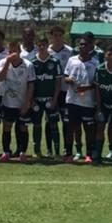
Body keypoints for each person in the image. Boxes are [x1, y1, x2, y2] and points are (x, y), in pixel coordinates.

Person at [63, 35, 99, 163]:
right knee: (70, 128)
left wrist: (87, 88)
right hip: (72, 100)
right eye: (81, 44)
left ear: (91, 47)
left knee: (88, 129)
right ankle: (68, 153)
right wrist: (69, 80)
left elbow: (97, 83)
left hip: (87, 102)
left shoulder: (95, 62)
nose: (82, 46)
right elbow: (65, 76)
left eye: (85, 44)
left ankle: (88, 154)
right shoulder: (72, 60)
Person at [0, 41, 35, 161]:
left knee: (23, 127)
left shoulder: (28, 65)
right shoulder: (3, 62)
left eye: (15, 51)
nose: (12, 53)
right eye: (10, 51)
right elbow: (0, 77)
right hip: (8, 101)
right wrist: (8, 61)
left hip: (22, 102)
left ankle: (22, 152)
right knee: (7, 126)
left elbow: (31, 85)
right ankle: (6, 152)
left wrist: (27, 102)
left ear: (20, 51)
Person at [30, 35, 62, 158]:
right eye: (39, 45)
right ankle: (37, 151)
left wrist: (54, 100)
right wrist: (32, 101)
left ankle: (57, 152)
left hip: (50, 100)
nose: (42, 47)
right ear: (37, 46)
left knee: (53, 124)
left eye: (44, 44)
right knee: (37, 124)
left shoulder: (55, 62)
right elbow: (30, 84)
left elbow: (58, 84)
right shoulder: (32, 63)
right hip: (37, 101)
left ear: (48, 46)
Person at [48, 24, 74, 154]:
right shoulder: (46, 51)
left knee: (66, 121)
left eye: (60, 35)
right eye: (55, 35)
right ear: (51, 36)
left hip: (65, 91)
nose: (57, 38)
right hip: (49, 91)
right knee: (50, 121)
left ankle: (66, 148)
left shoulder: (69, 51)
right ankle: (49, 149)